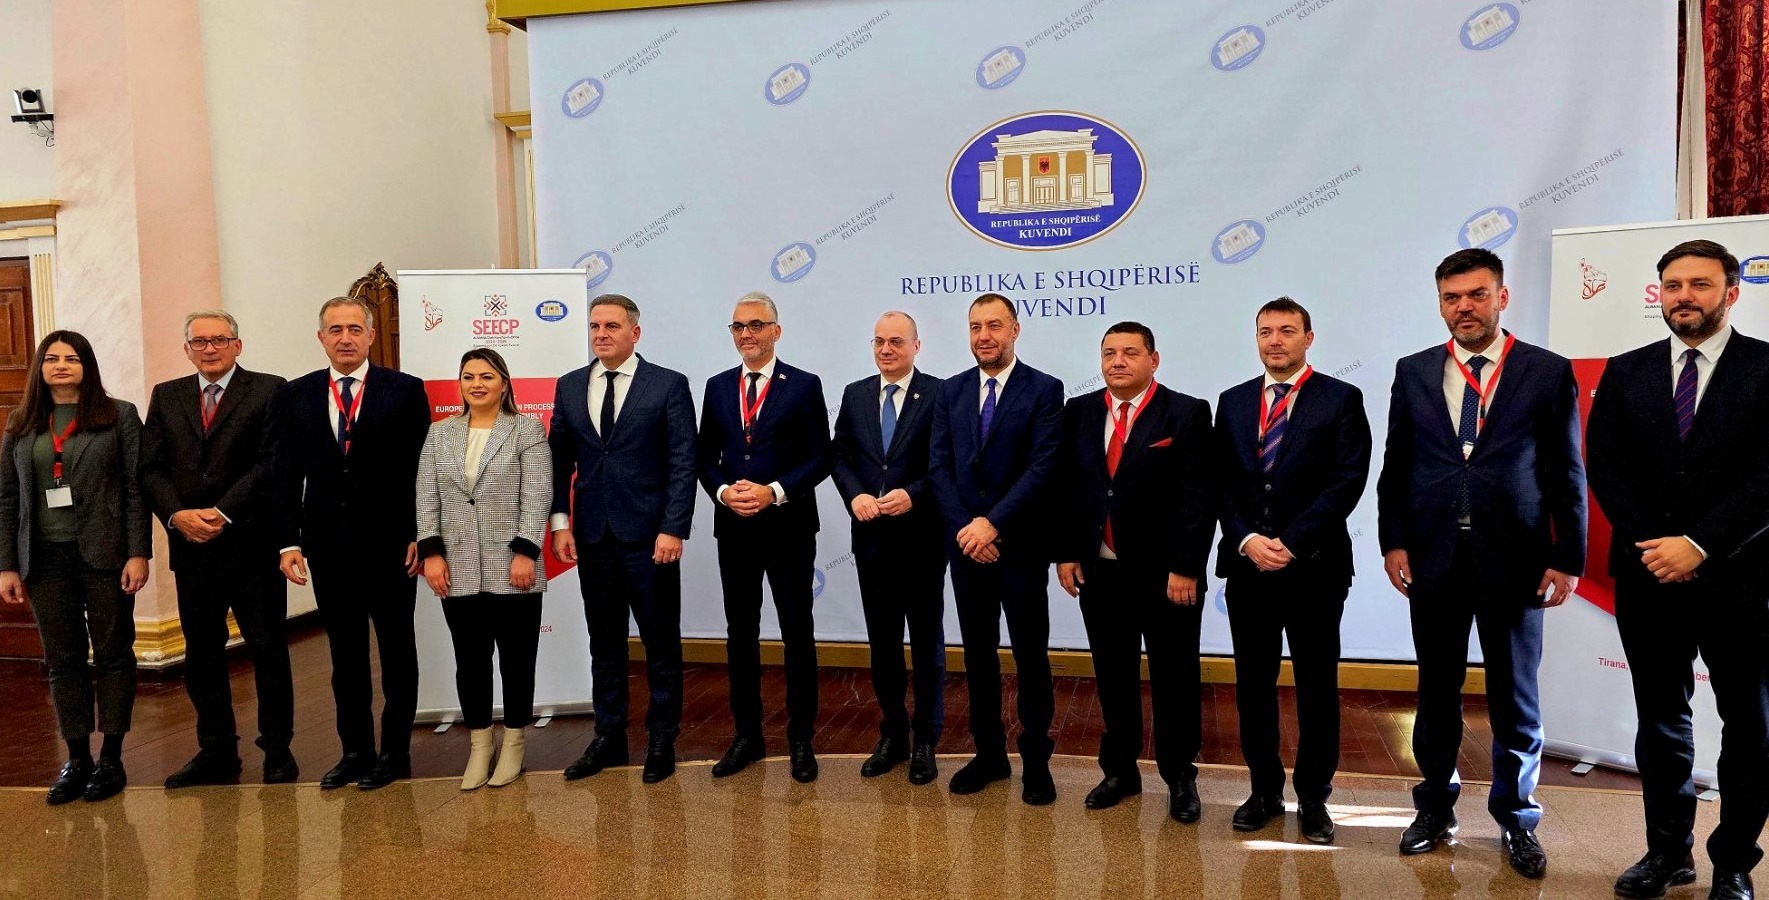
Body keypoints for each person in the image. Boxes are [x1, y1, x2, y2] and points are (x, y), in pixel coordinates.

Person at [1377, 248, 1586, 879]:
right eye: (1451, 298)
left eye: (1476, 295)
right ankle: (1434, 810)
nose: (1463, 308)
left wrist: (1568, 557)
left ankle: (1517, 820)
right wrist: (1393, 542)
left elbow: (1566, 470)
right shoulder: (1415, 370)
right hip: (1433, 558)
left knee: (1514, 699)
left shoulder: (1545, 371)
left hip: (1516, 560)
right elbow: (1396, 465)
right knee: (1435, 692)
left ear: (1502, 297)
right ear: (1440, 303)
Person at [1587, 239, 1769, 900]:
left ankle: (1733, 863)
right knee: (1661, 723)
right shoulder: (1626, 370)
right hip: (1648, 576)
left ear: (1731, 292)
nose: (1683, 297)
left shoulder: (1765, 367)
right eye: (1671, 285)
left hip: (1742, 579)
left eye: (1698, 284)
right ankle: (1667, 852)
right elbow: (1606, 465)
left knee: (1750, 729)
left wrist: (1698, 543)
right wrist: (1659, 547)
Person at [1214, 298, 1371, 842]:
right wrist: (1247, 539)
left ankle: (1313, 797)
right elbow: (1223, 483)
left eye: (1286, 330)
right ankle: (1263, 790)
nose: (1275, 340)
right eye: (1265, 332)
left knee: (1316, 687)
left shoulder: (1341, 398)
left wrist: (1292, 542)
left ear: (1309, 337)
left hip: (1315, 569)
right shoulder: (1233, 401)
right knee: (1253, 686)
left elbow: (1347, 481)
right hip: (1249, 567)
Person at [1055, 321, 1214, 820]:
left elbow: (1199, 496)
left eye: (1129, 352)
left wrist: (1186, 566)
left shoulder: (1185, 412)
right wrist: (1066, 552)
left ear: (1153, 360)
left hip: (1167, 578)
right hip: (1100, 574)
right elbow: (1067, 487)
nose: (1117, 361)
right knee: (1113, 675)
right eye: (1109, 353)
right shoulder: (1079, 411)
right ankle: (1120, 771)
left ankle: (1180, 777)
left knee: (1175, 678)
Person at [271, 295, 431, 790]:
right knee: (345, 656)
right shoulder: (296, 394)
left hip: (393, 546)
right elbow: (284, 474)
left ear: (371, 337)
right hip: (328, 547)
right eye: (335, 330)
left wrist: (420, 534)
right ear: (321, 338)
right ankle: (355, 752)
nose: (345, 338)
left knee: (397, 651)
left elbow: (421, 471)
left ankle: (395, 752)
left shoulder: (404, 390)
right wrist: (288, 542)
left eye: (354, 329)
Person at [142, 311, 296, 788]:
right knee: (202, 655)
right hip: (192, 549)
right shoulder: (166, 395)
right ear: (187, 349)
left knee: (268, 651)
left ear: (238, 345)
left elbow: (272, 463)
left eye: (220, 340)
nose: (210, 349)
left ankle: (277, 749)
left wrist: (222, 512)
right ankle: (216, 751)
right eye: (200, 342)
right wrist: (177, 515)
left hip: (252, 546)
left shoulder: (269, 390)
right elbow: (151, 468)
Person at [0, 331, 152, 804]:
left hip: (106, 555)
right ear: (40, 368)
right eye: (52, 358)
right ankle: (77, 758)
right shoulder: (21, 422)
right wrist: (7, 566)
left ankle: (112, 758)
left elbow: (135, 489)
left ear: (87, 365)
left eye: (71, 358)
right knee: (62, 659)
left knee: (112, 654)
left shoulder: (118, 415)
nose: (61, 365)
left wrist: (138, 552)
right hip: (44, 558)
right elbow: (7, 498)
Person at [550, 294, 696, 785]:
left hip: (650, 538)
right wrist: (560, 523)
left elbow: (683, 461)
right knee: (604, 643)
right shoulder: (570, 385)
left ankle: (661, 738)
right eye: (595, 326)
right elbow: (559, 461)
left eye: (611, 326)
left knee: (660, 643)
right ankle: (609, 736)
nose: (601, 334)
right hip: (592, 536)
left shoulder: (668, 384)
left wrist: (673, 527)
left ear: (635, 332)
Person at [928, 292, 1064, 805]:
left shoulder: (1044, 389)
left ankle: (1036, 762)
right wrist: (968, 529)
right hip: (967, 548)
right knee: (978, 656)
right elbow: (939, 467)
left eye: (994, 325)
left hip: (1020, 548)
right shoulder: (951, 391)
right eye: (975, 327)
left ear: (1014, 330)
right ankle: (989, 755)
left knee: (1030, 656)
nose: (983, 336)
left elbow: (1043, 467)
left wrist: (993, 524)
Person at [696, 291, 831, 782]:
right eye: (738, 326)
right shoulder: (716, 386)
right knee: (740, 634)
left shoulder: (804, 385)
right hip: (734, 528)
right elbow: (703, 456)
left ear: (776, 330)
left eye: (756, 325)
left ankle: (801, 740)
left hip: (788, 528)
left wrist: (773, 491)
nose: (746, 334)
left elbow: (820, 458)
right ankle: (746, 737)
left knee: (797, 632)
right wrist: (722, 491)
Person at [416, 347, 551, 790]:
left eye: (487, 376)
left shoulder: (526, 429)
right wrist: (432, 553)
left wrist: (526, 551)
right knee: (470, 661)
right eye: (469, 376)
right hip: (455, 566)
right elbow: (426, 496)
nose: (477, 384)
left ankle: (513, 744)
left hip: (513, 565)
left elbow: (537, 494)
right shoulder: (439, 433)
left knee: (516, 661)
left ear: (504, 384)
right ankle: (479, 746)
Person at [831, 311, 947, 785]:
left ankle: (926, 740)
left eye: (896, 341)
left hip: (922, 541)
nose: (885, 349)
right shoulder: (855, 394)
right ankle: (893, 734)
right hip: (872, 540)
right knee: (883, 645)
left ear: (916, 346)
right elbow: (839, 455)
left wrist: (914, 494)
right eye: (879, 341)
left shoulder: (940, 394)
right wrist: (854, 494)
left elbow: (946, 462)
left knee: (926, 645)